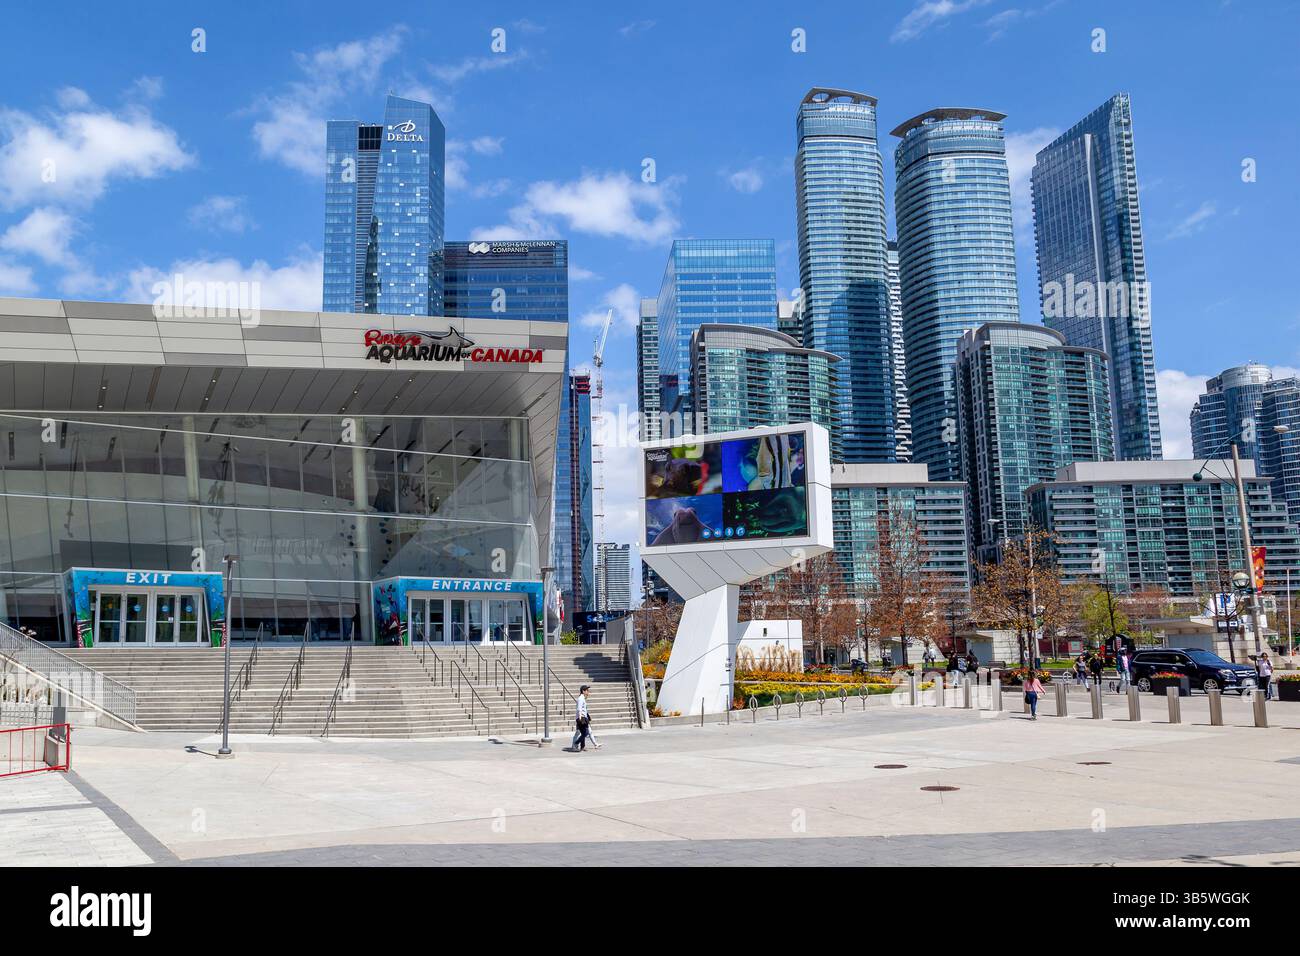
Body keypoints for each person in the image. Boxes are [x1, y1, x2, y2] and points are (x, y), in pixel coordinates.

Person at [570, 685, 600, 751]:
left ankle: (586, 745)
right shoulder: (581, 699)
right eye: (586, 690)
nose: (588, 692)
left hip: (584, 718)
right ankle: (575, 744)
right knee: (583, 733)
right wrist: (580, 718)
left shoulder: (583, 698)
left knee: (586, 732)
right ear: (583, 691)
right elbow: (579, 709)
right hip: (582, 718)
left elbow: (584, 710)